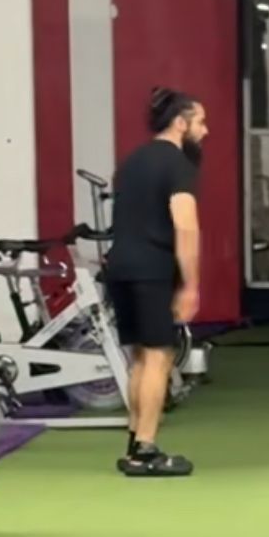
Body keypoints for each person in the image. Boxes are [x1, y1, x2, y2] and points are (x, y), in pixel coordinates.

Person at [105, 88, 208, 477]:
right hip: (152, 270)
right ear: (180, 123)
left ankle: (135, 442)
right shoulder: (178, 164)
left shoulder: (131, 162)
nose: (205, 130)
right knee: (159, 357)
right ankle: (145, 452)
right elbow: (186, 227)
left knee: (141, 358)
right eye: (200, 122)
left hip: (120, 267)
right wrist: (191, 286)